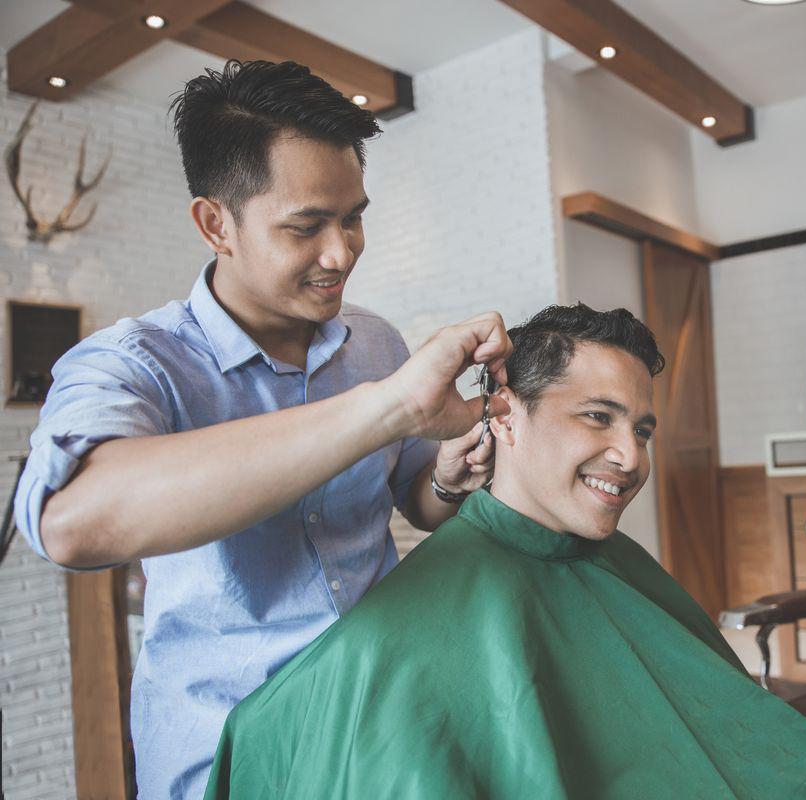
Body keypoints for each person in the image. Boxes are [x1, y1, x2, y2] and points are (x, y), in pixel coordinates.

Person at [13, 60, 510, 800]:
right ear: (216, 223)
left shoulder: (374, 341)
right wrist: (388, 407)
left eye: (353, 217)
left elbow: (415, 498)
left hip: (384, 727)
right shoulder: (133, 362)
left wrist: (448, 473)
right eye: (306, 226)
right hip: (228, 758)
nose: (341, 253)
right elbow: (71, 524)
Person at [203, 304, 806, 799]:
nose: (629, 456)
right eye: (597, 418)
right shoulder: (399, 646)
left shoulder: (614, 564)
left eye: (641, 429)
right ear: (504, 416)